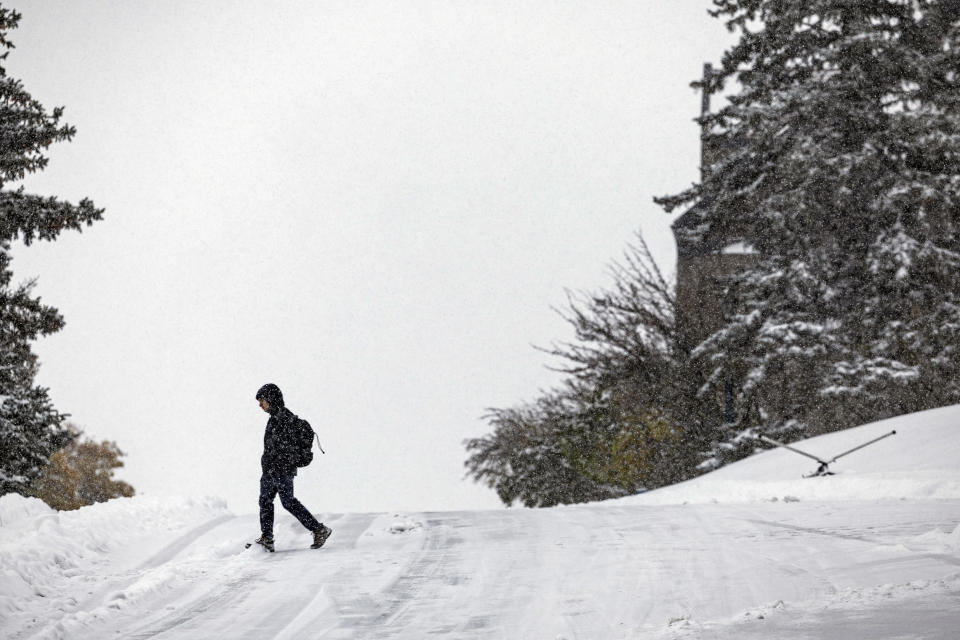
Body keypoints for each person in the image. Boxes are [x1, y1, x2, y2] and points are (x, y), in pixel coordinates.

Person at [253, 383, 332, 552]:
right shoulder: (273, 419)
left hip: (281, 470)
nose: (260, 405)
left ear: (271, 399)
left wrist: (280, 462)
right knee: (265, 501)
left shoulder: (285, 419)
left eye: (262, 401)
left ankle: (319, 529)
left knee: (288, 502)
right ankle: (267, 538)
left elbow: (286, 448)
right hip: (270, 470)